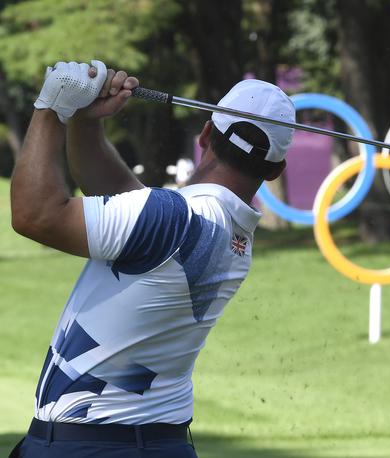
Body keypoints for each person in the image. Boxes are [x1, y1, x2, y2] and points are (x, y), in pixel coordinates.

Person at [9, 60, 295, 457]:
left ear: (206, 133)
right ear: (276, 169)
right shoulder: (221, 229)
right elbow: (126, 200)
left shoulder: (175, 218)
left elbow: (34, 215)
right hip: (152, 443)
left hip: (95, 446)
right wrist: (87, 122)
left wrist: (52, 106)